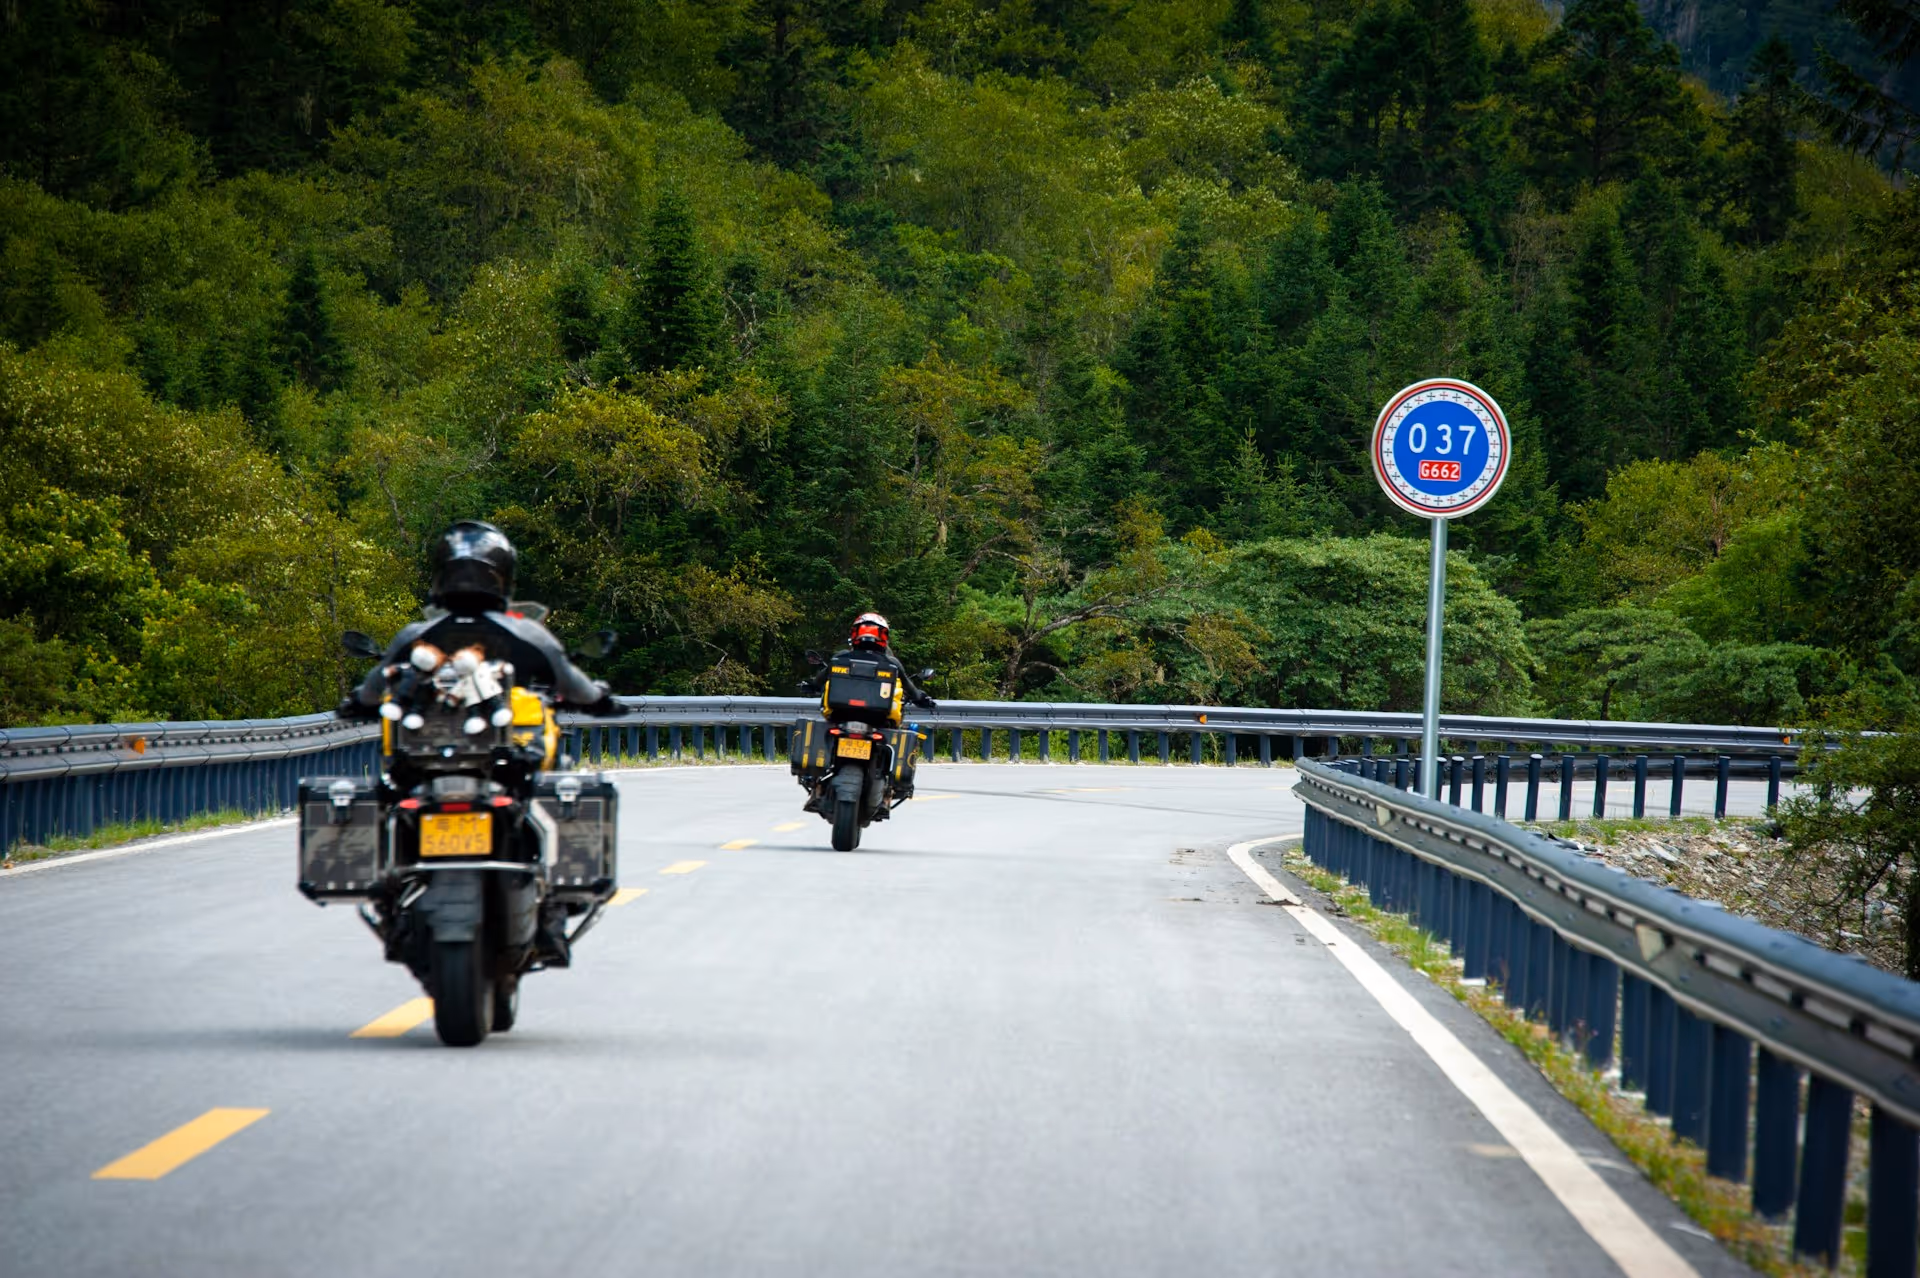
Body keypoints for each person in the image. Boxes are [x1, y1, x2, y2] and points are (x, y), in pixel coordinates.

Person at [340, 521, 623, 718]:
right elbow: (572, 684)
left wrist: (359, 700)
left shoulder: (414, 636)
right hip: (503, 757)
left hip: (424, 757)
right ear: (503, 577)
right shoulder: (529, 635)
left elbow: (371, 690)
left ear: (440, 576)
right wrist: (598, 696)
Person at [800, 611, 937, 709]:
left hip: (842, 714)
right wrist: (921, 697)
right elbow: (910, 689)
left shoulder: (841, 657)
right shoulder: (891, 663)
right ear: (883, 636)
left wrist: (811, 685)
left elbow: (820, 679)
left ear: (855, 634)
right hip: (878, 718)